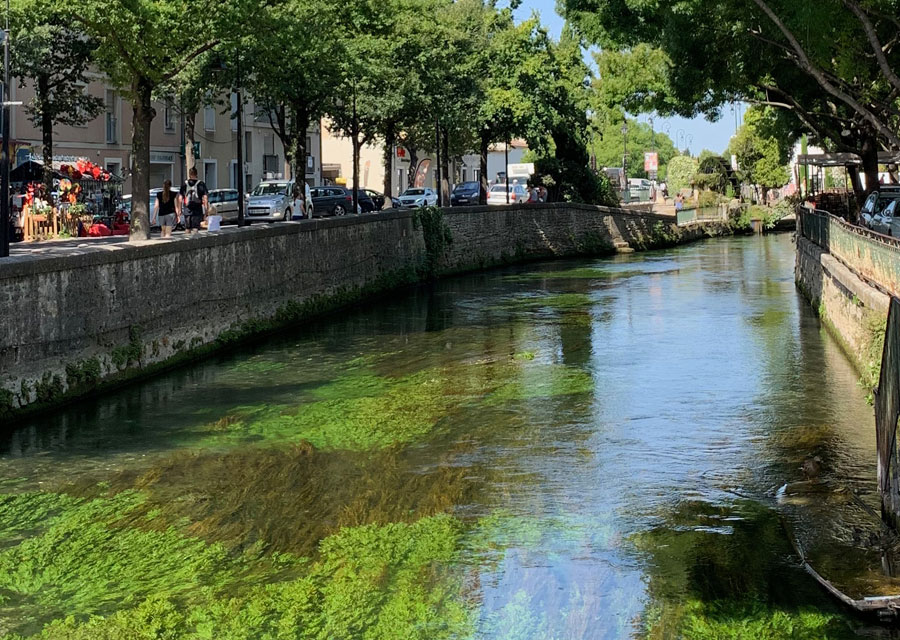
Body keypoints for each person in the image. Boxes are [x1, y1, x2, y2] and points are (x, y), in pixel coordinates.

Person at [180, 167, 208, 236]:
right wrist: (206, 209)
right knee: (195, 228)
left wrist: (179, 209)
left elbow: (180, 198)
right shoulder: (201, 184)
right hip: (197, 209)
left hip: (187, 209)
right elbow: (205, 197)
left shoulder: (184, 184)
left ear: (189, 174)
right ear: (196, 174)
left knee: (187, 228)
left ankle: (186, 242)